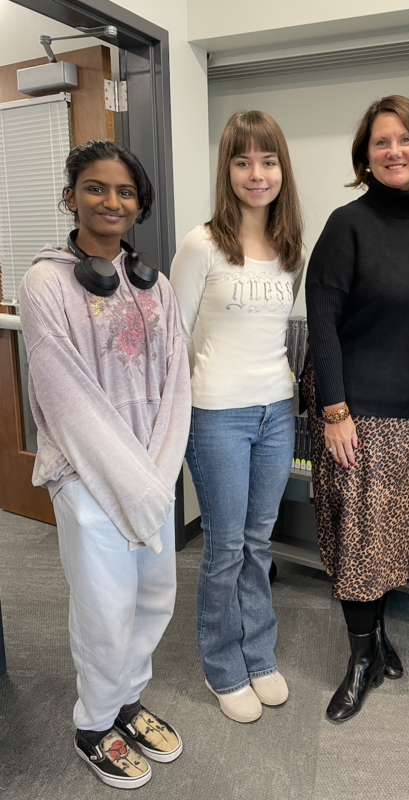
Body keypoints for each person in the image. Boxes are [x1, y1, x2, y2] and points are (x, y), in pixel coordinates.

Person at [19, 140, 191, 788]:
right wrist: (134, 485)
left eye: (124, 191)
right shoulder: (45, 284)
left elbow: (178, 385)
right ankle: (93, 722)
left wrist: (157, 474)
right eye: (95, 188)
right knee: (103, 607)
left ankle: (126, 701)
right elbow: (67, 400)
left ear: (139, 204)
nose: (110, 201)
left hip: (149, 475)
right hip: (89, 480)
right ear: (71, 197)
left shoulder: (156, 285)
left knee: (153, 598)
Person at [303, 95, 409, 722]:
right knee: (360, 544)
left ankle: (376, 641)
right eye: (380, 142)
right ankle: (359, 661)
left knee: (391, 538)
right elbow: (322, 322)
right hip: (358, 413)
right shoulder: (347, 224)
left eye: (404, 139)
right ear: (365, 156)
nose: (393, 150)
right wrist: (336, 410)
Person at [170, 110, 304, 724]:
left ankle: (259, 654)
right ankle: (222, 664)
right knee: (224, 546)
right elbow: (172, 340)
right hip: (217, 413)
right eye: (243, 161)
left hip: (278, 409)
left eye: (268, 160)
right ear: (227, 169)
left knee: (257, 541)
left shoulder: (289, 245)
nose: (257, 174)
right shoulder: (202, 243)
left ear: (282, 169)